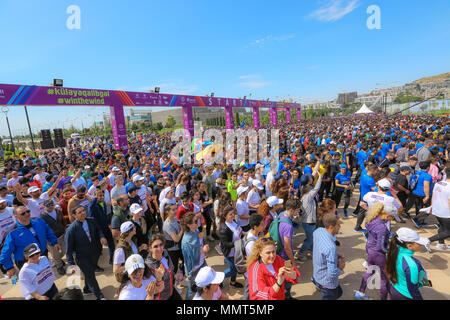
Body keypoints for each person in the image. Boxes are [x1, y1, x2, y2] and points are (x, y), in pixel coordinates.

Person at [0, 205, 60, 275]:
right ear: (16, 217)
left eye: (28, 211)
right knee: (34, 283)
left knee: (46, 276)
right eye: (23, 213)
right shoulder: (12, 233)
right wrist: (9, 267)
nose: (27, 214)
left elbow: (48, 231)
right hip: (25, 262)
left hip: (42, 255)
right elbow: (5, 253)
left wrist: (54, 242)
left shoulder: (39, 221)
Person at [65, 205, 108, 300]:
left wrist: (101, 236)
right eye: (79, 212)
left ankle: (86, 289)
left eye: (83, 210)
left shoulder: (92, 220)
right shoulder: (71, 230)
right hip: (82, 257)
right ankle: (99, 296)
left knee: (89, 273)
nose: (83, 213)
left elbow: (99, 230)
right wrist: (71, 265)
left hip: (94, 253)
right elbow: (69, 250)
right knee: (91, 276)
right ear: (74, 215)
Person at [354, 203, 395, 300]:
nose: (392, 219)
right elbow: (381, 246)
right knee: (384, 279)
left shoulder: (372, 220)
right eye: (392, 217)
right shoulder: (382, 228)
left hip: (370, 250)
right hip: (378, 255)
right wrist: (390, 251)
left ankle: (360, 292)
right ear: (386, 215)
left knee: (370, 271)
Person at [386, 227, 431, 300]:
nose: (421, 245)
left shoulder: (394, 252)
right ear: (409, 246)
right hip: (406, 295)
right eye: (418, 243)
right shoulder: (412, 265)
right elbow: (413, 289)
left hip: (394, 289)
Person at [312, 213, 345, 300]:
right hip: (327, 283)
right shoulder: (331, 248)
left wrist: (334, 256)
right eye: (338, 224)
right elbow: (332, 273)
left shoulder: (318, 231)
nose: (340, 226)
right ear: (331, 227)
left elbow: (320, 250)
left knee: (339, 293)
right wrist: (341, 268)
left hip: (317, 274)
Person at [145, 234, 183, 300]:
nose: (159, 248)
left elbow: (171, 270)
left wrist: (175, 275)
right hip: (161, 297)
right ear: (150, 248)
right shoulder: (148, 265)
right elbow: (149, 288)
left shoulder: (165, 253)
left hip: (171, 291)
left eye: (161, 245)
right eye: (155, 246)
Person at [181, 212, 209, 300]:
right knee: (191, 291)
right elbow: (189, 258)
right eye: (195, 221)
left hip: (202, 263)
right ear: (189, 225)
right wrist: (202, 250)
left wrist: (201, 238)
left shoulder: (196, 231)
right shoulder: (186, 241)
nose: (197, 222)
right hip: (193, 269)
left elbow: (200, 243)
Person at [277, 198, 301, 299]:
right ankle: (286, 296)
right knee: (288, 279)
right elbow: (287, 247)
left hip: (279, 253)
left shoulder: (281, 214)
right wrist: (293, 261)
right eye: (297, 210)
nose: (299, 212)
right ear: (291, 210)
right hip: (284, 256)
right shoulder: (288, 226)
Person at [88, 188, 115, 265]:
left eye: (103, 195)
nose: (102, 197)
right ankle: (95, 265)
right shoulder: (92, 206)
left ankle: (111, 259)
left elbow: (105, 215)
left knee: (111, 243)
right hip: (97, 230)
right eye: (99, 196)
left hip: (105, 227)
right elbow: (92, 219)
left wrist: (108, 224)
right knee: (98, 248)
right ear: (95, 196)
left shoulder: (104, 203)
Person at [219, 206, 244, 288]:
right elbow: (226, 244)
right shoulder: (224, 229)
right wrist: (239, 243)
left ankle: (232, 282)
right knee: (234, 269)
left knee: (235, 267)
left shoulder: (234, 222)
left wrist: (246, 233)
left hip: (236, 251)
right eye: (230, 214)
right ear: (225, 216)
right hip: (230, 253)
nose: (233, 215)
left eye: (233, 213)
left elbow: (239, 231)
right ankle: (219, 278)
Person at [40, 199, 67, 275]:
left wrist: (65, 230)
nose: (50, 207)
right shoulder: (42, 216)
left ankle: (58, 260)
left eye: (51, 204)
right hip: (52, 239)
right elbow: (42, 230)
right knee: (55, 254)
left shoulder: (58, 211)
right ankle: (59, 266)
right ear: (44, 206)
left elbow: (63, 221)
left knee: (64, 250)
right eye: (48, 205)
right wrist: (46, 240)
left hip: (62, 235)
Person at [241, 214, 264, 300]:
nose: (264, 225)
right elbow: (254, 259)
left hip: (251, 270)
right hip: (250, 272)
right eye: (262, 224)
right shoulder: (251, 244)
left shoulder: (252, 232)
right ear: (255, 227)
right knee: (248, 291)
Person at [427, 165, 450, 250]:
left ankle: (441, 244)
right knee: (448, 232)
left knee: (443, 227)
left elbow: (433, 196)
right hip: (446, 213)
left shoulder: (438, 183)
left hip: (437, 211)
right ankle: (428, 240)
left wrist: (432, 207)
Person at [406, 161, 433, 227]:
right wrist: (427, 196)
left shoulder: (417, 173)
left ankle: (419, 222)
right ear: (428, 167)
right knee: (427, 209)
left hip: (415, 193)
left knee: (418, 207)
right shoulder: (427, 176)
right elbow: (426, 185)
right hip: (423, 194)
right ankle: (416, 219)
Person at [162, 203, 184, 274]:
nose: (175, 211)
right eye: (173, 210)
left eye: (176, 209)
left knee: (185, 262)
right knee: (173, 268)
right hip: (172, 250)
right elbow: (176, 239)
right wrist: (182, 230)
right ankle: (173, 283)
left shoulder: (175, 219)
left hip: (178, 247)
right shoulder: (167, 224)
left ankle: (181, 276)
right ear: (167, 212)